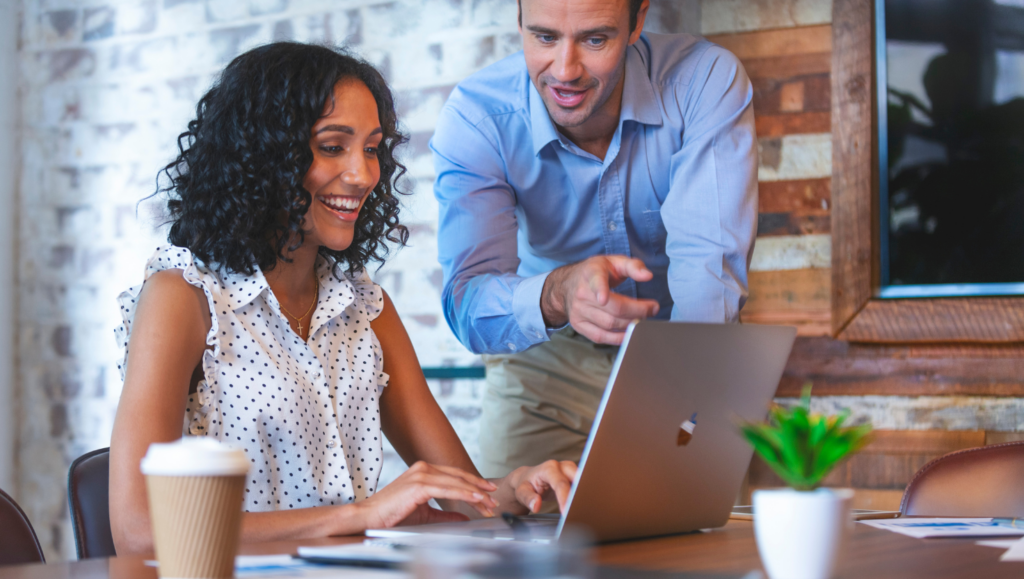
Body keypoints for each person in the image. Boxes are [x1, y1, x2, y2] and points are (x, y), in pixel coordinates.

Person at [109, 42, 575, 556]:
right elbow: (139, 529)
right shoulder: (184, 296)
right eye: (333, 146)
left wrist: (515, 490)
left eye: (372, 149)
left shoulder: (365, 308)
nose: (363, 174)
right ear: (264, 156)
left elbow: (468, 498)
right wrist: (361, 516)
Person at [432, 0, 758, 478]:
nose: (565, 71)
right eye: (544, 37)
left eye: (595, 39)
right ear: (519, 20)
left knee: (701, 539)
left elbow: (709, 279)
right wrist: (559, 292)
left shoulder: (703, 81)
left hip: (682, 346)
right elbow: (469, 305)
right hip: (545, 363)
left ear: (637, 21)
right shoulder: (479, 118)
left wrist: (689, 419)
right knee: (519, 540)